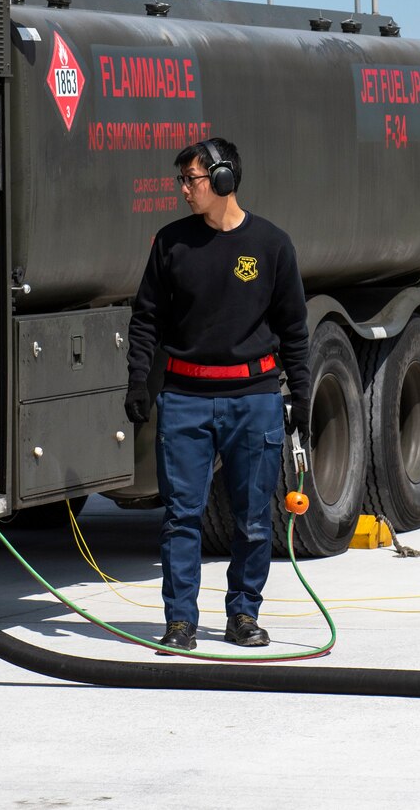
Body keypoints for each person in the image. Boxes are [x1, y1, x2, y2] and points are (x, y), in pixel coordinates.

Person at [124, 137, 310, 652]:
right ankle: (180, 622)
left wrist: (303, 395)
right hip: (184, 399)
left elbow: (294, 329)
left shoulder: (272, 245)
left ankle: (243, 615)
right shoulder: (170, 243)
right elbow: (146, 321)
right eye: (181, 180)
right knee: (182, 516)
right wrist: (140, 381)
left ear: (225, 179)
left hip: (254, 400)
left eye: (193, 179)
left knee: (253, 518)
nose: (184, 189)